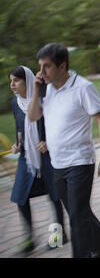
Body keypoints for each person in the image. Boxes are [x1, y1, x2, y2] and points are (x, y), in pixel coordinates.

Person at [27, 43, 100, 258]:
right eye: (40, 66)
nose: (42, 71)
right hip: (58, 163)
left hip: (80, 162)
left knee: (77, 216)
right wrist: (37, 90)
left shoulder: (83, 87)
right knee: (78, 212)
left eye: (47, 66)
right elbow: (32, 116)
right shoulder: (47, 90)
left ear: (62, 65)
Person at [9, 66, 67, 256]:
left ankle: (59, 235)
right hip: (27, 157)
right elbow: (20, 127)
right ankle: (30, 240)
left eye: (15, 81)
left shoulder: (44, 100)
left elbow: (56, 123)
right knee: (20, 197)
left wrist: (48, 142)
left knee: (54, 196)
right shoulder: (15, 103)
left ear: (27, 80)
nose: (12, 85)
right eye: (11, 81)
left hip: (46, 155)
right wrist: (17, 144)